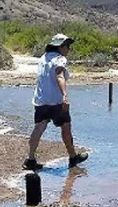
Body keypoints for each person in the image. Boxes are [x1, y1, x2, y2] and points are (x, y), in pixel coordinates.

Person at [23, 33, 89, 170]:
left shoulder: (43, 58)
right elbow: (59, 75)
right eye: (67, 46)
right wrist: (65, 96)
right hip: (56, 101)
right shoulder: (60, 59)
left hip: (41, 100)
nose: (68, 49)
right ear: (60, 46)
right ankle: (72, 157)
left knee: (39, 127)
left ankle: (30, 159)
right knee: (66, 127)